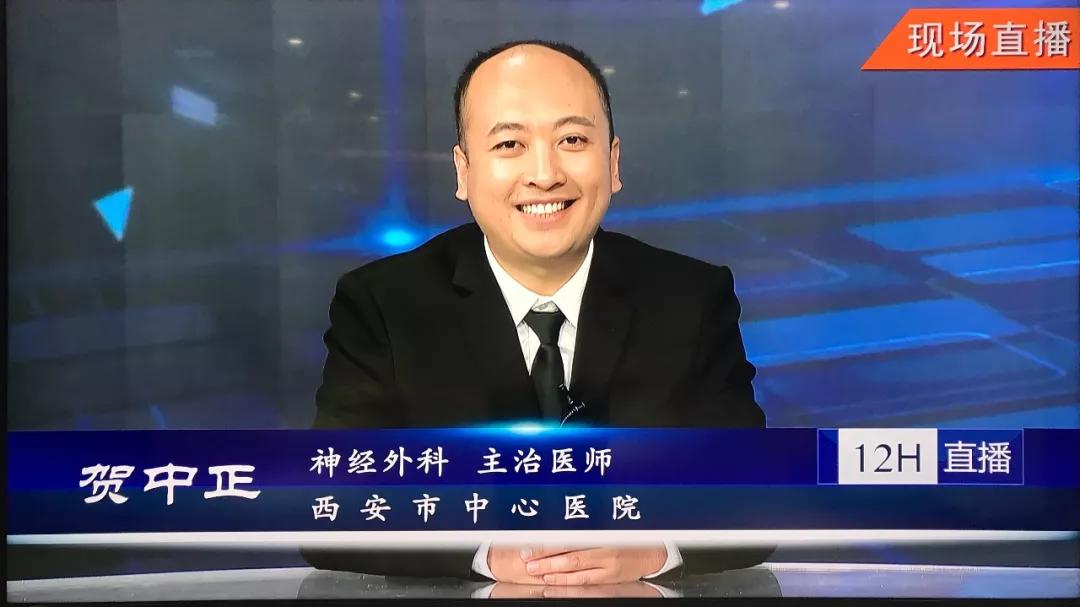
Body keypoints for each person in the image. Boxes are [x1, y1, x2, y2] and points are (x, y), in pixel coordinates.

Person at [303, 40, 771, 585]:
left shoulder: (691, 297)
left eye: (572, 140)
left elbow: (756, 496)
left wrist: (653, 549)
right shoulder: (384, 304)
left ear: (613, 162)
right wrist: (486, 553)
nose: (544, 174)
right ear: (463, 170)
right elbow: (329, 509)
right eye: (510, 144)